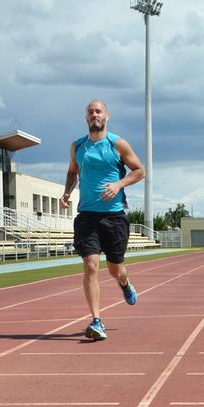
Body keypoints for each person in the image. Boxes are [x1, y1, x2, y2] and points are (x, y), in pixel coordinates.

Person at [61, 100, 145, 341]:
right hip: (87, 215)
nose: (94, 114)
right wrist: (67, 191)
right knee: (90, 265)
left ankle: (125, 283)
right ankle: (97, 320)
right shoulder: (77, 146)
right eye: (90, 111)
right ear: (86, 117)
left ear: (107, 116)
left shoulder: (117, 144)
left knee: (115, 269)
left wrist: (119, 184)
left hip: (114, 216)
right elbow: (72, 171)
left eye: (98, 111)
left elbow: (140, 170)